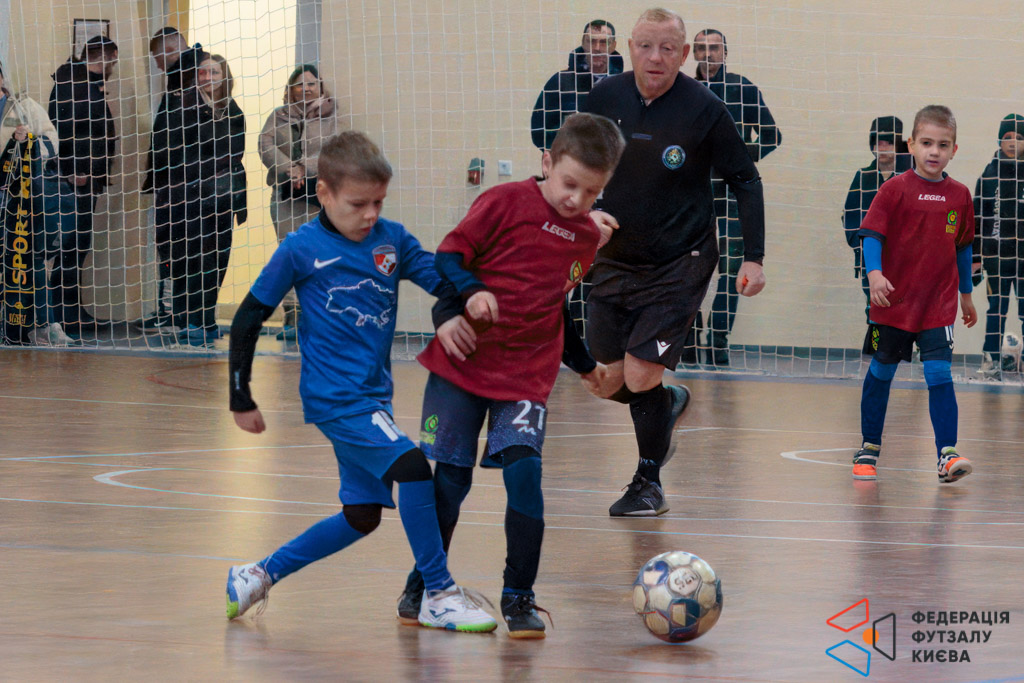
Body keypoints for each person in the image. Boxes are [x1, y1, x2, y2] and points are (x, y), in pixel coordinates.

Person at [225, 131, 497, 632]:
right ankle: (438, 594)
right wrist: (239, 395)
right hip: (336, 399)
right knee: (413, 468)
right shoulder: (300, 248)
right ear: (324, 193)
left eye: (378, 202)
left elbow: (441, 279)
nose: (370, 214)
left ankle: (258, 574)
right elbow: (247, 318)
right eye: (358, 204)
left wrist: (472, 293)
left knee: (362, 515)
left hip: (373, 399)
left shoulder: (392, 240)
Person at [394, 113, 625, 638]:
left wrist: (585, 365)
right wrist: (466, 297)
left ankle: (519, 596)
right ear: (547, 162)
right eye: (569, 184)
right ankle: (423, 585)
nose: (576, 200)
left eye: (592, 192)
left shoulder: (585, 238)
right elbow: (449, 257)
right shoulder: (502, 201)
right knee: (450, 482)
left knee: (526, 477)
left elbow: (553, 304)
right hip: (464, 364)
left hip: (525, 375)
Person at [581, 8, 766, 516]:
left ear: (684, 55)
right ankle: (668, 403)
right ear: (629, 49)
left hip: (681, 260)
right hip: (615, 260)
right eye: (645, 46)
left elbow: (746, 179)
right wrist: (584, 215)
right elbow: (574, 163)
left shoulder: (704, 108)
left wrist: (753, 257)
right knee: (606, 380)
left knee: (642, 374)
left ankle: (648, 483)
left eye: (667, 48)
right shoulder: (603, 98)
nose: (655, 57)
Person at [854, 105, 977, 484]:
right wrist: (875, 274)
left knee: (939, 373)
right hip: (894, 303)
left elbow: (963, 249)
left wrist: (966, 295)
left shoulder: (960, 196)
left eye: (943, 144)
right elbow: (871, 235)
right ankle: (868, 447)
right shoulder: (894, 189)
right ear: (910, 145)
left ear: (954, 149)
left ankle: (947, 453)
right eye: (926, 143)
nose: (934, 151)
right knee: (882, 370)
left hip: (938, 305)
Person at [687, 28, 781, 366]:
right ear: (693, 53)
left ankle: (718, 340)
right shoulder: (683, 90)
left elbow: (772, 136)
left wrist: (738, 160)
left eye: (715, 48)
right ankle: (688, 339)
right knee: (689, 268)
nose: (708, 54)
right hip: (692, 193)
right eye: (701, 48)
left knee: (731, 270)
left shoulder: (743, 88)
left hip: (732, 194)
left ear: (725, 53)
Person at [152, 53, 246, 347]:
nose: (208, 78)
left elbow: (236, 152)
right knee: (191, 260)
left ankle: (206, 318)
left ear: (224, 77)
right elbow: (172, 152)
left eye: (214, 72)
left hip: (222, 198)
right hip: (189, 199)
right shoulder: (181, 106)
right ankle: (188, 321)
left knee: (218, 260)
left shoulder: (233, 110)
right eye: (203, 72)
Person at [259, 64, 338, 341]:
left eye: (311, 83)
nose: (305, 89)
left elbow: (336, 149)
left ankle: (316, 318)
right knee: (289, 256)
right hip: (285, 197)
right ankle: (292, 316)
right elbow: (265, 144)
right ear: (290, 89)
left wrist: (304, 166)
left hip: (319, 198)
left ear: (320, 86)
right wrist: (289, 168)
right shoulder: (278, 116)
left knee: (318, 257)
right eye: (299, 84)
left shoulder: (333, 116)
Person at [47, 34, 118, 337]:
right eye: (113, 60)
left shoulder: (83, 82)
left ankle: (71, 309)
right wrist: (76, 169)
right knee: (71, 245)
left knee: (77, 245)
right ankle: (63, 313)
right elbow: (64, 129)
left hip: (86, 179)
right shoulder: (74, 83)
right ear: (106, 57)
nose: (114, 66)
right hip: (76, 179)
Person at [0, 62, 74, 345]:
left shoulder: (24, 106)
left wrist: (26, 142)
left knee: (31, 259)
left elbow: (51, 141)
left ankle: (44, 324)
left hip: (22, 198)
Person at [141, 27, 207, 332]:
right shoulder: (178, 78)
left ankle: (178, 314)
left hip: (185, 186)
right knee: (169, 250)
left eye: (157, 58)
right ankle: (170, 311)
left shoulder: (195, 76)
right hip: (173, 183)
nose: (157, 66)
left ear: (170, 51)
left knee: (179, 251)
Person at [842, 116, 913, 323]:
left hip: (906, 261)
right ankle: (875, 341)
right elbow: (850, 216)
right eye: (878, 143)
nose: (882, 148)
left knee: (907, 312)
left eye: (888, 142)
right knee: (875, 312)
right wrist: (862, 247)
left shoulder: (912, 177)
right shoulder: (863, 177)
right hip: (872, 262)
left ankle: (906, 344)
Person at [974, 114, 1024, 378]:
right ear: (999, 141)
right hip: (997, 258)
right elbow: (977, 219)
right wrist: (976, 256)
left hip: (1023, 258)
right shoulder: (989, 175)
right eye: (1008, 137)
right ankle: (991, 357)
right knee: (996, 310)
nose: (1013, 142)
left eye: (1019, 137)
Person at [529, 20, 624, 152]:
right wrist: (570, 150)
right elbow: (539, 132)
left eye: (604, 42)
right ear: (583, 44)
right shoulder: (560, 82)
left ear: (613, 46)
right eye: (591, 41)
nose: (597, 48)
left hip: (611, 163)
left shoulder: (624, 85)